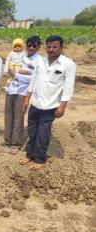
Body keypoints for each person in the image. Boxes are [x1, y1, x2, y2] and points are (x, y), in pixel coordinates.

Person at [21, 35, 76, 170]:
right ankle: (29, 154)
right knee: (32, 130)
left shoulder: (68, 64)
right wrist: (27, 98)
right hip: (36, 103)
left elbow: (68, 86)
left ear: (61, 48)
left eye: (54, 47)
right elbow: (33, 80)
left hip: (50, 105)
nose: (51, 49)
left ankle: (40, 159)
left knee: (43, 133)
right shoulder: (41, 61)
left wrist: (62, 105)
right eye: (49, 47)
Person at [2, 36, 42, 154]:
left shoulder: (39, 61)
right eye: (29, 45)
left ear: (38, 47)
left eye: (34, 46)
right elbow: (11, 69)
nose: (31, 47)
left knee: (18, 117)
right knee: (8, 115)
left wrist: (17, 74)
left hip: (23, 92)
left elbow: (33, 78)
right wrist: (20, 72)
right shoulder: (23, 56)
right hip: (12, 88)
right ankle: (7, 140)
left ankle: (16, 143)